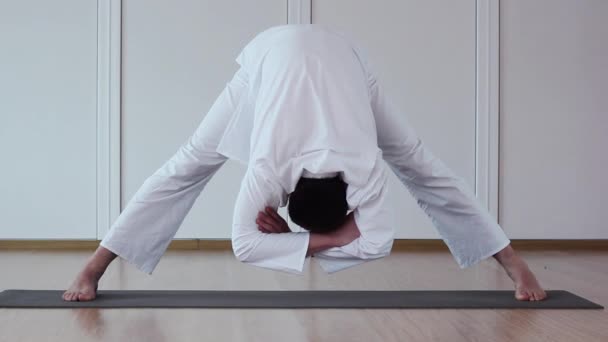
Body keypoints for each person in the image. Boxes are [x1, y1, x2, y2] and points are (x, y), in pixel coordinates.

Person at [63, 24, 546, 302]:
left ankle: (513, 262)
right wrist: (329, 239)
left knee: (419, 161)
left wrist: (304, 241)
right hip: (269, 65)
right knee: (189, 162)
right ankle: (95, 266)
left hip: (347, 66)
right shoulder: (271, 165)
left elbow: (248, 245)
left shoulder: (359, 169)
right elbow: (254, 245)